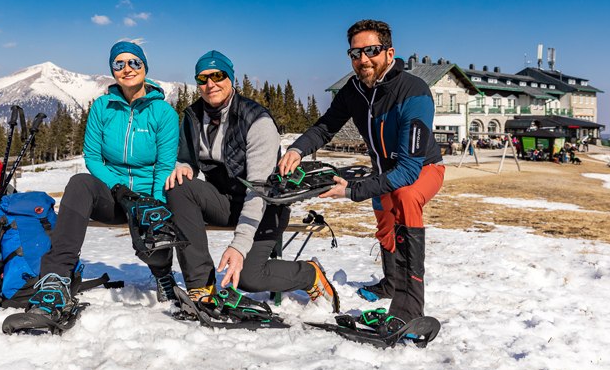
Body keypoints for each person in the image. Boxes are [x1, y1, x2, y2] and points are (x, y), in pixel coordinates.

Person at [278, 19, 444, 324]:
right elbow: (326, 126)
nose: (363, 60)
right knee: (385, 225)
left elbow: (408, 170)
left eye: (371, 51)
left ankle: (409, 306)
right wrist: (297, 149)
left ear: (389, 52)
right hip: (382, 172)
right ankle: (390, 283)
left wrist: (352, 191)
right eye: (355, 54)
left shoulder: (414, 92)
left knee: (405, 199)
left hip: (422, 169)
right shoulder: (352, 91)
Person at [162, 50, 339, 311]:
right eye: (203, 78)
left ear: (231, 78)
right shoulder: (192, 116)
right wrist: (184, 167)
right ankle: (201, 286)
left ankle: (309, 274)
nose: (210, 84)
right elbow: (187, 158)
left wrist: (239, 246)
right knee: (179, 186)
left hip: (267, 206)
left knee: (248, 278)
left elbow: (259, 190)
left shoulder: (257, 120)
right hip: (225, 200)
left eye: (218, 75)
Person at [24, 41, 180, 323]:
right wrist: (118, 189)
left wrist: (152, 202)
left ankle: (163, 273)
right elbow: (93, 157)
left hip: (146, 198)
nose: (127, 69)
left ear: (145, 66)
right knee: (80, 183)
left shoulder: (163, 113)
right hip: (111, 196)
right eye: (118, 64)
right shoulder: (103, 107)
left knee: (152, 241)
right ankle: (56, 278)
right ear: (112, 70)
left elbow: (165, 165)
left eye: (134, 62)